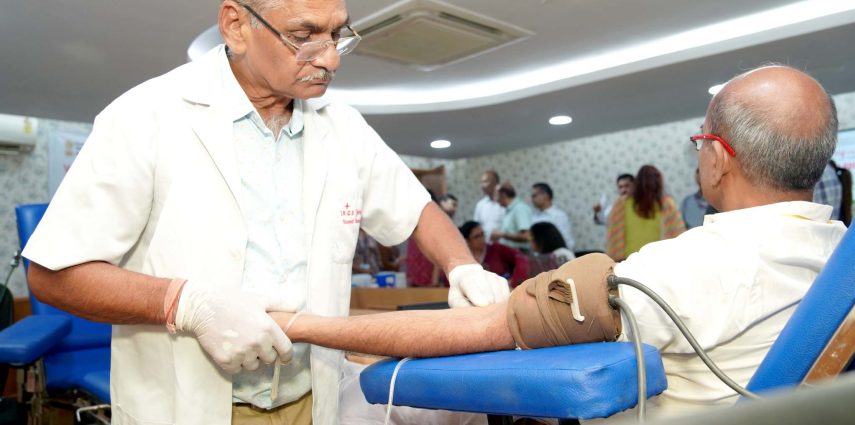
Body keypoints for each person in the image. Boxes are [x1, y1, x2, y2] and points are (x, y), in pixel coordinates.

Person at [20, 1, 509, 423]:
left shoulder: (344, 127)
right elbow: (52, 275)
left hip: (311, 401)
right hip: (187, 405)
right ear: (236, 26)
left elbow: (417, 209)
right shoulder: (147, 115)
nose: (331, 58)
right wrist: (185, 303)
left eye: (337, 34)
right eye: (304, 35)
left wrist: (461, 266)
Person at [268, 65, 847, 420]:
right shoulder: (846, 253)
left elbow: (480, 330)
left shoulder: (682, 271)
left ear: (717, 158)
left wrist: (298, 325)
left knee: (376, 403)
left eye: (700, 142)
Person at [606, 165, 686, 261]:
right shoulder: (667, 203)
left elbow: (613, 234)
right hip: (659, 259)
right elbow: (678, 235)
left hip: (630, 259)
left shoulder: (621, 203)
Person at [460, 221, 529, 287]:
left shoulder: (496, 249)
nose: (482, 238)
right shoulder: (463, 258)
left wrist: (514, 281)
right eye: (477, 236)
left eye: (482, 234)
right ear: (467, 241)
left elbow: (520, 257)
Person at [530, 182, 576, 249]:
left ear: (546, 196)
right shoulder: (534, 216)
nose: (532, 199)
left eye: (534, 196)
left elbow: (566, 241)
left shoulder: (558, 215)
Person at [490, 182, 533, 251]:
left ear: (503, 195)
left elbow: (527, 237)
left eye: (496, 196)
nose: (495, 200)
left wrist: (502, 234)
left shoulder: (520, 209)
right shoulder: (509, 210)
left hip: (519, 254)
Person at [473, 170, 505, 241]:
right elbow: (476, 227)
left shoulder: (505, 203)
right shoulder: (480, 205)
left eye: (485, 182)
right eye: (481, 182)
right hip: (486, 245)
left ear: (495, 183)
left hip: (504, 245)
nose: (482, 186)